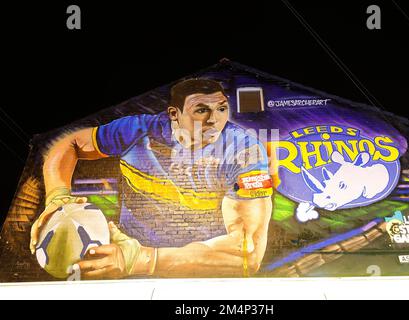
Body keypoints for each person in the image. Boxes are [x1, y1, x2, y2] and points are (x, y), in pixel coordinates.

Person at [29, 78, 273, 279]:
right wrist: (57, 196)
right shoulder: (137, 131)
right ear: (173, 114)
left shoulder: (245, 152)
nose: (214, 120)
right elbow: (69, 143)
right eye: (201, 110)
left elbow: (247, 254)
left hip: (203, 274)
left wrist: (143, 259)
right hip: (124, 266)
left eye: (221, 108)